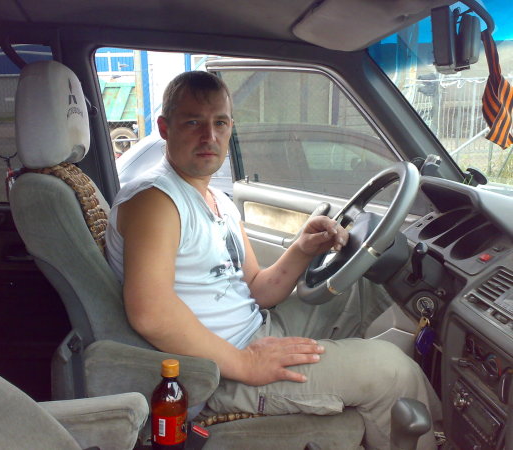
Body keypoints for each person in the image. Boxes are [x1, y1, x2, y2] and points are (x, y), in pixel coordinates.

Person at [106, 71, 441, 449]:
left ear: (231, 128)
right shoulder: (154, 201)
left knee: (363, 284)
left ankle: (385, 398)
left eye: (220, 123)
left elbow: (256, 289)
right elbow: (150, 312)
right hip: (217, 372)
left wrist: (302, 248)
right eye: (193, 122)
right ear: (165, 129)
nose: (209, 136)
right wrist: (245, 363)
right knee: (391, 371)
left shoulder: (218, 201)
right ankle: (415, 411)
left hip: (255, 330)